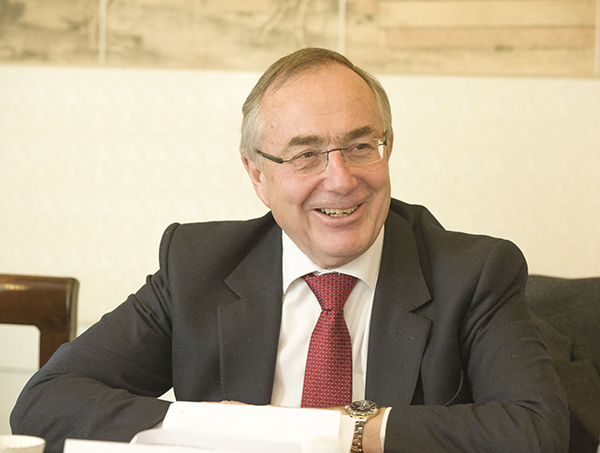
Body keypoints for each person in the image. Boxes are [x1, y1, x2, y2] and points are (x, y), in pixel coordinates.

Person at [11, 47, 569, 453]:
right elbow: (46, 402)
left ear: (388, 149)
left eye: (360, 146)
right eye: (306, 155)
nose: (341, 179)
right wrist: (212, 427)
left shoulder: (474, 273)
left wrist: (346, 429)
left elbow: (538, 430)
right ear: (257, 175)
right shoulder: (199, 265)